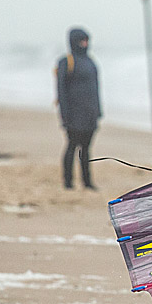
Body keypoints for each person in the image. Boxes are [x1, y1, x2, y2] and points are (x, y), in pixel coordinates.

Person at [55, 27, 102, 190]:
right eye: (81, 40)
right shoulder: (66, 62)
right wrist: (64, 115)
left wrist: (98, 111)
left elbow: (96, 88)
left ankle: (87, 182)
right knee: (71, 147)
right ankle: (68, 182)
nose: (85, 43)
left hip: (90, 115)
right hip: (73, 115)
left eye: (87, 40)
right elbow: (61, 90)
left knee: (86, 150)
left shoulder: (91, 61)